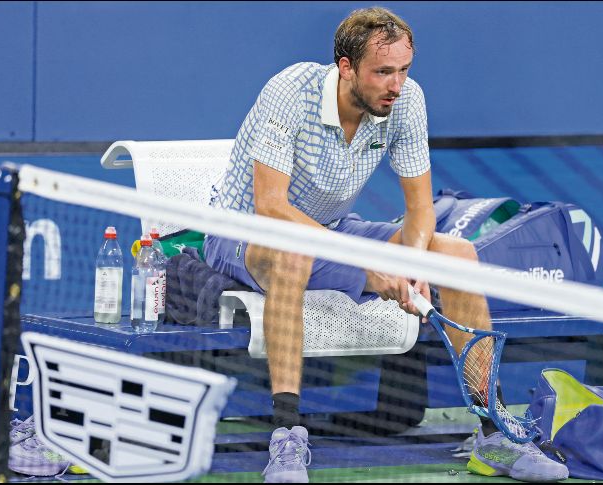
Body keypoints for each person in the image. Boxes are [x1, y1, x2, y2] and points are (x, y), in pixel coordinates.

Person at [205, 7, 568, 483]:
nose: (395, 85)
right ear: (345, 66)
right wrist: (368, 267)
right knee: (293, 253)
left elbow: (420, 210)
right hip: (245, 232)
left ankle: (493, 432)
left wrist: (413, 265)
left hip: (332, 229)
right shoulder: (289, 92)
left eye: (403, 70)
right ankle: (288, 436)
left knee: (456, 255)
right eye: (383, 72)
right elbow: (271, 207)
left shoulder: (405, 101)